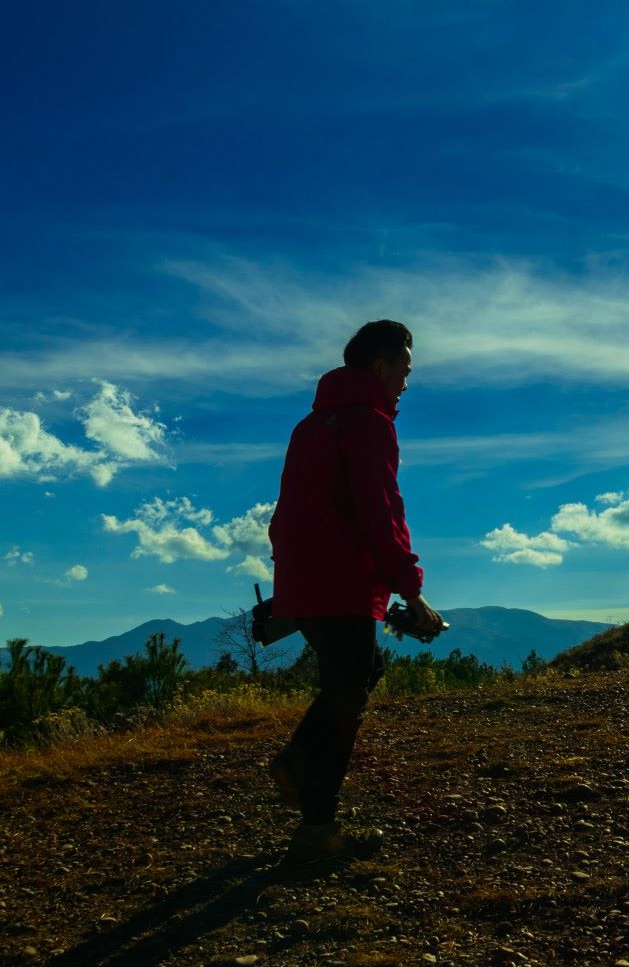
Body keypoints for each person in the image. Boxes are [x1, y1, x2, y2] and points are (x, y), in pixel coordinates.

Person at [266, 319, 445, 863]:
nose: (406, 384)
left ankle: (298, 761)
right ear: (379, 366)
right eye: (404, 370)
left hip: (302, 580)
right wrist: (411, 592)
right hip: (341, 582)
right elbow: (381, 511)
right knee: (346, 699)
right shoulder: (369, 424)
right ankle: (317, 830)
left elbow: (293, 511)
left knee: (354, 678)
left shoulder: (310, 426)